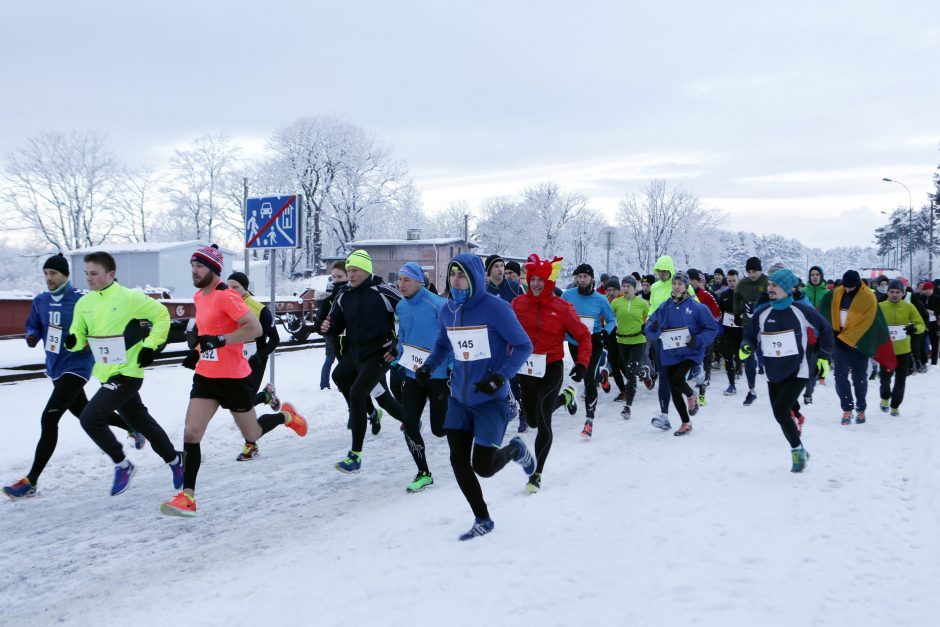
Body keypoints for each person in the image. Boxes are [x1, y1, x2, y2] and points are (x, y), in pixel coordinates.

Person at [161, 246, 307, 516]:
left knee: (252, 434)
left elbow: (255, 328)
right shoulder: (199, 296)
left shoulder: (226, 297)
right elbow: (207, 333)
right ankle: (188, 496)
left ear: (214, 270)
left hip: (233, 378)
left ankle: (286, 416)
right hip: (206, 376)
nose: (194, 270)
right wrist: (197, 354)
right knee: (191, 432)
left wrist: (220, 341)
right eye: (192, 265)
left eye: (200, 266)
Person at [3, 254, 144, 499]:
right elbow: (33, 324)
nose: (49, 278)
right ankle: (132, 427)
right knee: (84, 411)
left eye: (53, 274)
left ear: (65, 275)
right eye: (46, 273)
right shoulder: (40, 300)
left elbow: (101, 320)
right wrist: (31, 335)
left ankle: (31, 480)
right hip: (55, 367)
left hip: (77, 367)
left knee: (49, 419)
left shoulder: (82, 299)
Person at [416, 253, 535, 540]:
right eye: (452, 275)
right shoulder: (447, 311)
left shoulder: (496, 308)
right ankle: (482, 518)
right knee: (458, 460)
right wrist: (429, 366)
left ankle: (516, 450)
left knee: (483, 467)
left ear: (474, 278)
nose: (456, 280)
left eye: (461, 275)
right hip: (459, 398)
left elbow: (523, 346)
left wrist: (500, 377)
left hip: (490, 401)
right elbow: (443, 345)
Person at [64, 251, 183, 496]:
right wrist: (72, 341)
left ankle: (123, 464)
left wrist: (150, 346)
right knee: (141, 421)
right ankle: (175, 460)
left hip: (128, 373)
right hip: (106, 373)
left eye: (94, 273)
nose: (89, 278)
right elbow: (78, 337)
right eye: (86, 273)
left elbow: (161, 315)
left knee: (90, 417)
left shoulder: (129, 298)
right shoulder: (84, 303)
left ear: (111, 274)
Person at [321, 249, 406, 473]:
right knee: (344, 378)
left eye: (355, 270)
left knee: (358, 394)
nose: (351, 274)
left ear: (367, 271)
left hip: (381, 352)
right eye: (348, 270)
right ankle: (409, 420)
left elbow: (409, 316)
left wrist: (398, 344)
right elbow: (338, 325)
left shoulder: (384, 291)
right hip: (356, 353)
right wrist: (328, 327)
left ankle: (355, 455)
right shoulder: (344, 295)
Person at [741, 269, 834, 472]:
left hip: (799, 370)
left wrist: (824, 357)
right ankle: (799, 448)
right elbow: (749, 335)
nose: (770, 289)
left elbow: (826, 329)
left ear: (786, 288)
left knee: (781, 411)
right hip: (773, 371)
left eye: (775, 285)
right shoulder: (763, 313)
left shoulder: (801, 310)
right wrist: (746, 346)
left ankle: (797, 451)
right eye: (769, 285)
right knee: (780, 414)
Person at [511, 254, 585, 492]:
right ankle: (565, 398)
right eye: (532, 279)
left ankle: (537, 475)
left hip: (551, 367)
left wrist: (582, 363)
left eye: (540, 280)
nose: (535, 284)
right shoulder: (518, 304)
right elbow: (506, 334)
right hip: (526, 369)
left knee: (543, 418)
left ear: (549, 281)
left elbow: (584, 336)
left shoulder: (562, 307)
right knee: (532, 420)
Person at [390, 262, 450, 492]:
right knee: (410, 424)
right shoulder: (402, 308)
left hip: (439, 374)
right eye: (399, 280)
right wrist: (398, 360)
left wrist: (452, 366)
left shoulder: (438, 305)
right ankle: (423, 472)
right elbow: (403, 337)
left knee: (439, 429)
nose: (401, 285)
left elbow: (451, 339)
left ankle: (464, 422)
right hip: (412, 373)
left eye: (406, 280)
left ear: (419, 281)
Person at [818, 270, 897, 425]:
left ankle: (861, 408)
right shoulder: (837, 293)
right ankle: (847, 408)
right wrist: (831, 332)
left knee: (859, 378)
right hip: (839, 341)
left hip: (859, 343)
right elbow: (823, 309)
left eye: (850, 287)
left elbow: (867, 323)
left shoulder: (868, 297)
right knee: (839, 375)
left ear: (858, 284)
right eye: (845, 286)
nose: (847, 290)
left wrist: (846, 338)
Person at [645, 272, 718, 435]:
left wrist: (697, 340)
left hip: (690, 353)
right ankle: (686, 423)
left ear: (686, 286)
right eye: (674, 284)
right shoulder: (665, 307)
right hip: (670, 353)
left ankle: (691, 394)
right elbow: (649, 327)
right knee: (674, 386)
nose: (676, 287)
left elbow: (712, 328)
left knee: (678, 380)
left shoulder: (697, 307)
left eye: (680, 284)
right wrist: (653, 327)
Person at [561, 263, 617, 438]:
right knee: (587, 375)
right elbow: (558, 313)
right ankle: (601, 377)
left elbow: (611, 320)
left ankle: (589, 421)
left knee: (589, 381)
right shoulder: (568, 295)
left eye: (585, 277)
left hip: (594, 342)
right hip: (574, 343)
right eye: (579, 277)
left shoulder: (600, 299)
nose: (582, 280)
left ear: (592, 278)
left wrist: (604, 334)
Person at [877, 279, 925, 415]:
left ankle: (895, 406)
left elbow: (921, 324)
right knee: (885, 379)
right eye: (892, 292)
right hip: (886, 350)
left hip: (903, 350)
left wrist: (914, 328)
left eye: (898, 292)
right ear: (887, 292)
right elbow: (871, 324)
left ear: (903, 293)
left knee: (900, 380)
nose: (894, 295)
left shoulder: (909, 307)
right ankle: (885, 397)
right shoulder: (880, 306)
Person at [611, 275, 651, 418]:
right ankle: (644, 373)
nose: (626, 288)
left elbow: (650, 319)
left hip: (638, 341)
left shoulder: (642, 303)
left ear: (635, 288)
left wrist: (647, 326)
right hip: (622, 342)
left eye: (629, 286)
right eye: (624, 286)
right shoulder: (616, 303)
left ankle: (627, 406)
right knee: (631, 369)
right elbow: (609, 319)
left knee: (630, 371)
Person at [734, 256, 768, 406]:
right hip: (749, 324)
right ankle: (751, 390)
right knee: (748, 356)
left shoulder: (767, 281)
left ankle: (779, 388)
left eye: (754, 271)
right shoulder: (743, 283)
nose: (752, 274)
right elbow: (737, 297)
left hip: (767, 325)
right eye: (749, 271)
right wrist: (737, 313)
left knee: (770, 356)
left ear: (760, 270)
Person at [316, 261, 348, 390]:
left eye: (339, 277)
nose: (336, 281)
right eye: (333, 277)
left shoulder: (353, 296)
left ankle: (341, 384)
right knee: (330, 360)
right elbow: (318, 323)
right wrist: (321, 326)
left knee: (341, 361)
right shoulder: (328, 300)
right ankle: (325, 385)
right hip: (333, 336)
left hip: (349, 338)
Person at [717, 269, 742, 395]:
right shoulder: (724, 294)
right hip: (728, 330)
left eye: (734, 281)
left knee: (739, 355)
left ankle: (739, 366)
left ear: (738, 280)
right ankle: (731, 384)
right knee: (728, 357)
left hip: (741, 331)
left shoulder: (744, 294)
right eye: (729, 281)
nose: (732, 283)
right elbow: (720, 312)